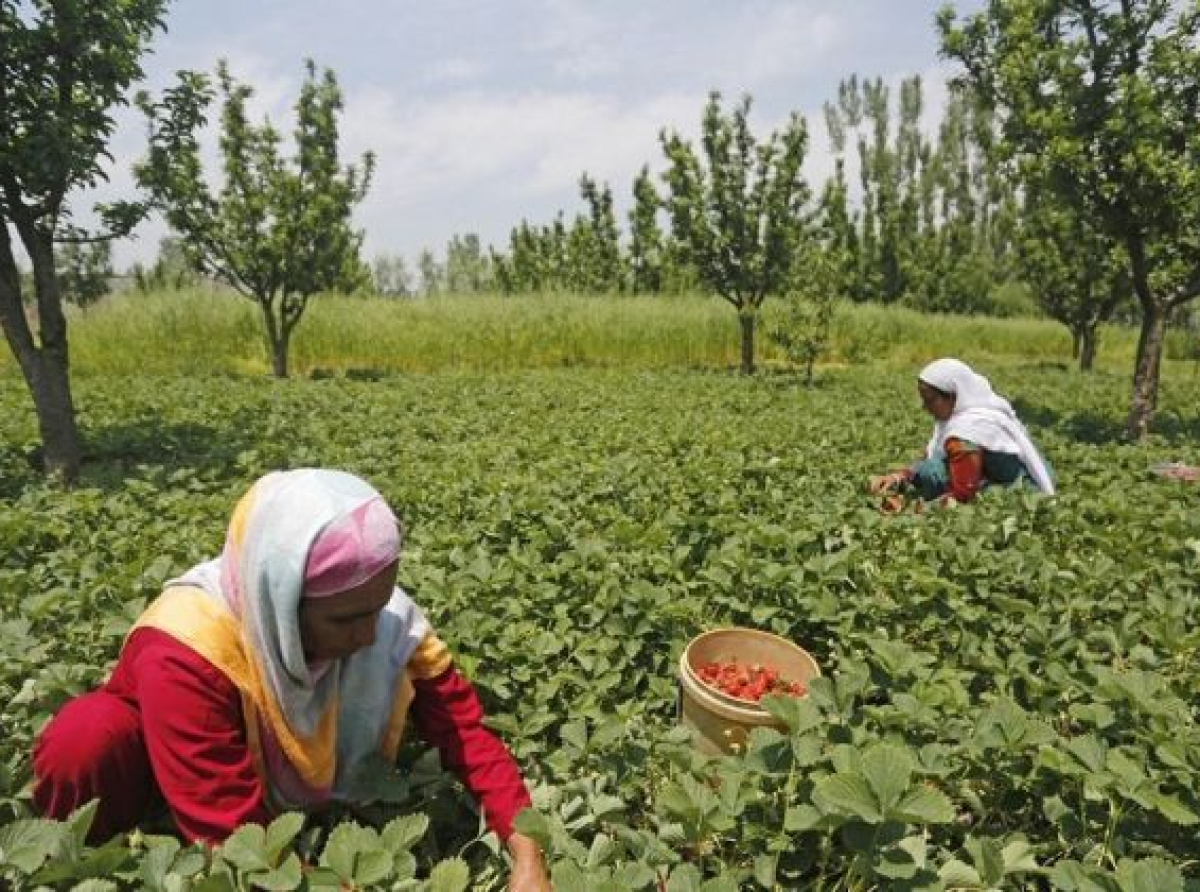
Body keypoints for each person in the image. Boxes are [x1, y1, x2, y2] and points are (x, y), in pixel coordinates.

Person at [33, 469, 550, 891]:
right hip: (168, 776)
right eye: (346, 620)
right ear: (278, 602)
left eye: (377, 607)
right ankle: (82, 865)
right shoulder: (186, 645)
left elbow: (468, 737)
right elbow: (240, 843)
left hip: (239, 787)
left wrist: (528, 856)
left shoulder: (382, 615)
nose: (370, 634)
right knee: (86, 737)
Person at [870, 358, 1055, 507]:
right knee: (929, 469)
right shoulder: (958, 418)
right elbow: (931, 460)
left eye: (929, 400)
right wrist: (897, 478)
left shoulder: (968, 430)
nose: (925, 407)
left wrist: (912, 508)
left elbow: (963, 495)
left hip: (1023, 491)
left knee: (985, 498)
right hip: (989, 477)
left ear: (952, 396)